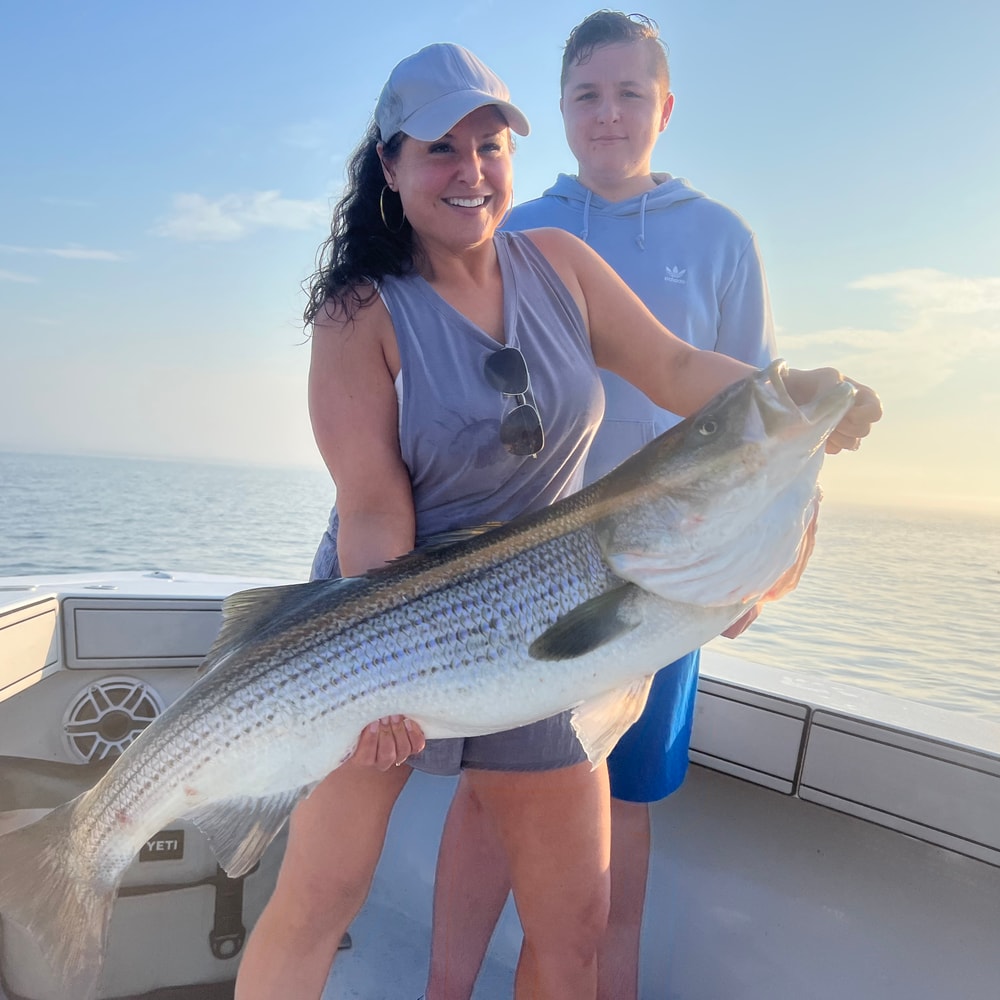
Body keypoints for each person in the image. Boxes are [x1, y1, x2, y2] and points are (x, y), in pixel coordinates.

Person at [234, 40, 880, 1000]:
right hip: (381, 614)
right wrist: (375, 687)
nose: (470, 172)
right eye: (440, 150)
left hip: (548, 603)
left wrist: (793, 396)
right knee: (320, 897)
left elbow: (671, 369)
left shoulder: (561, 266)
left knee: (575, 926)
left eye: (490, 145)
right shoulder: (357, 313)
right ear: (391, 166)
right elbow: (373, 509)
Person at [423, 12, 813, 1000]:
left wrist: (781, 559)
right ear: (558, 110)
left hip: (668, 571)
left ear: (665, 107)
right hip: (523, 569)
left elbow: (767, 419)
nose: (607, 113)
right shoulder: (514, 231)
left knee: (624, 804)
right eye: (587, 94)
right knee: (482, 800)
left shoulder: (721, 240)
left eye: (629, 93)